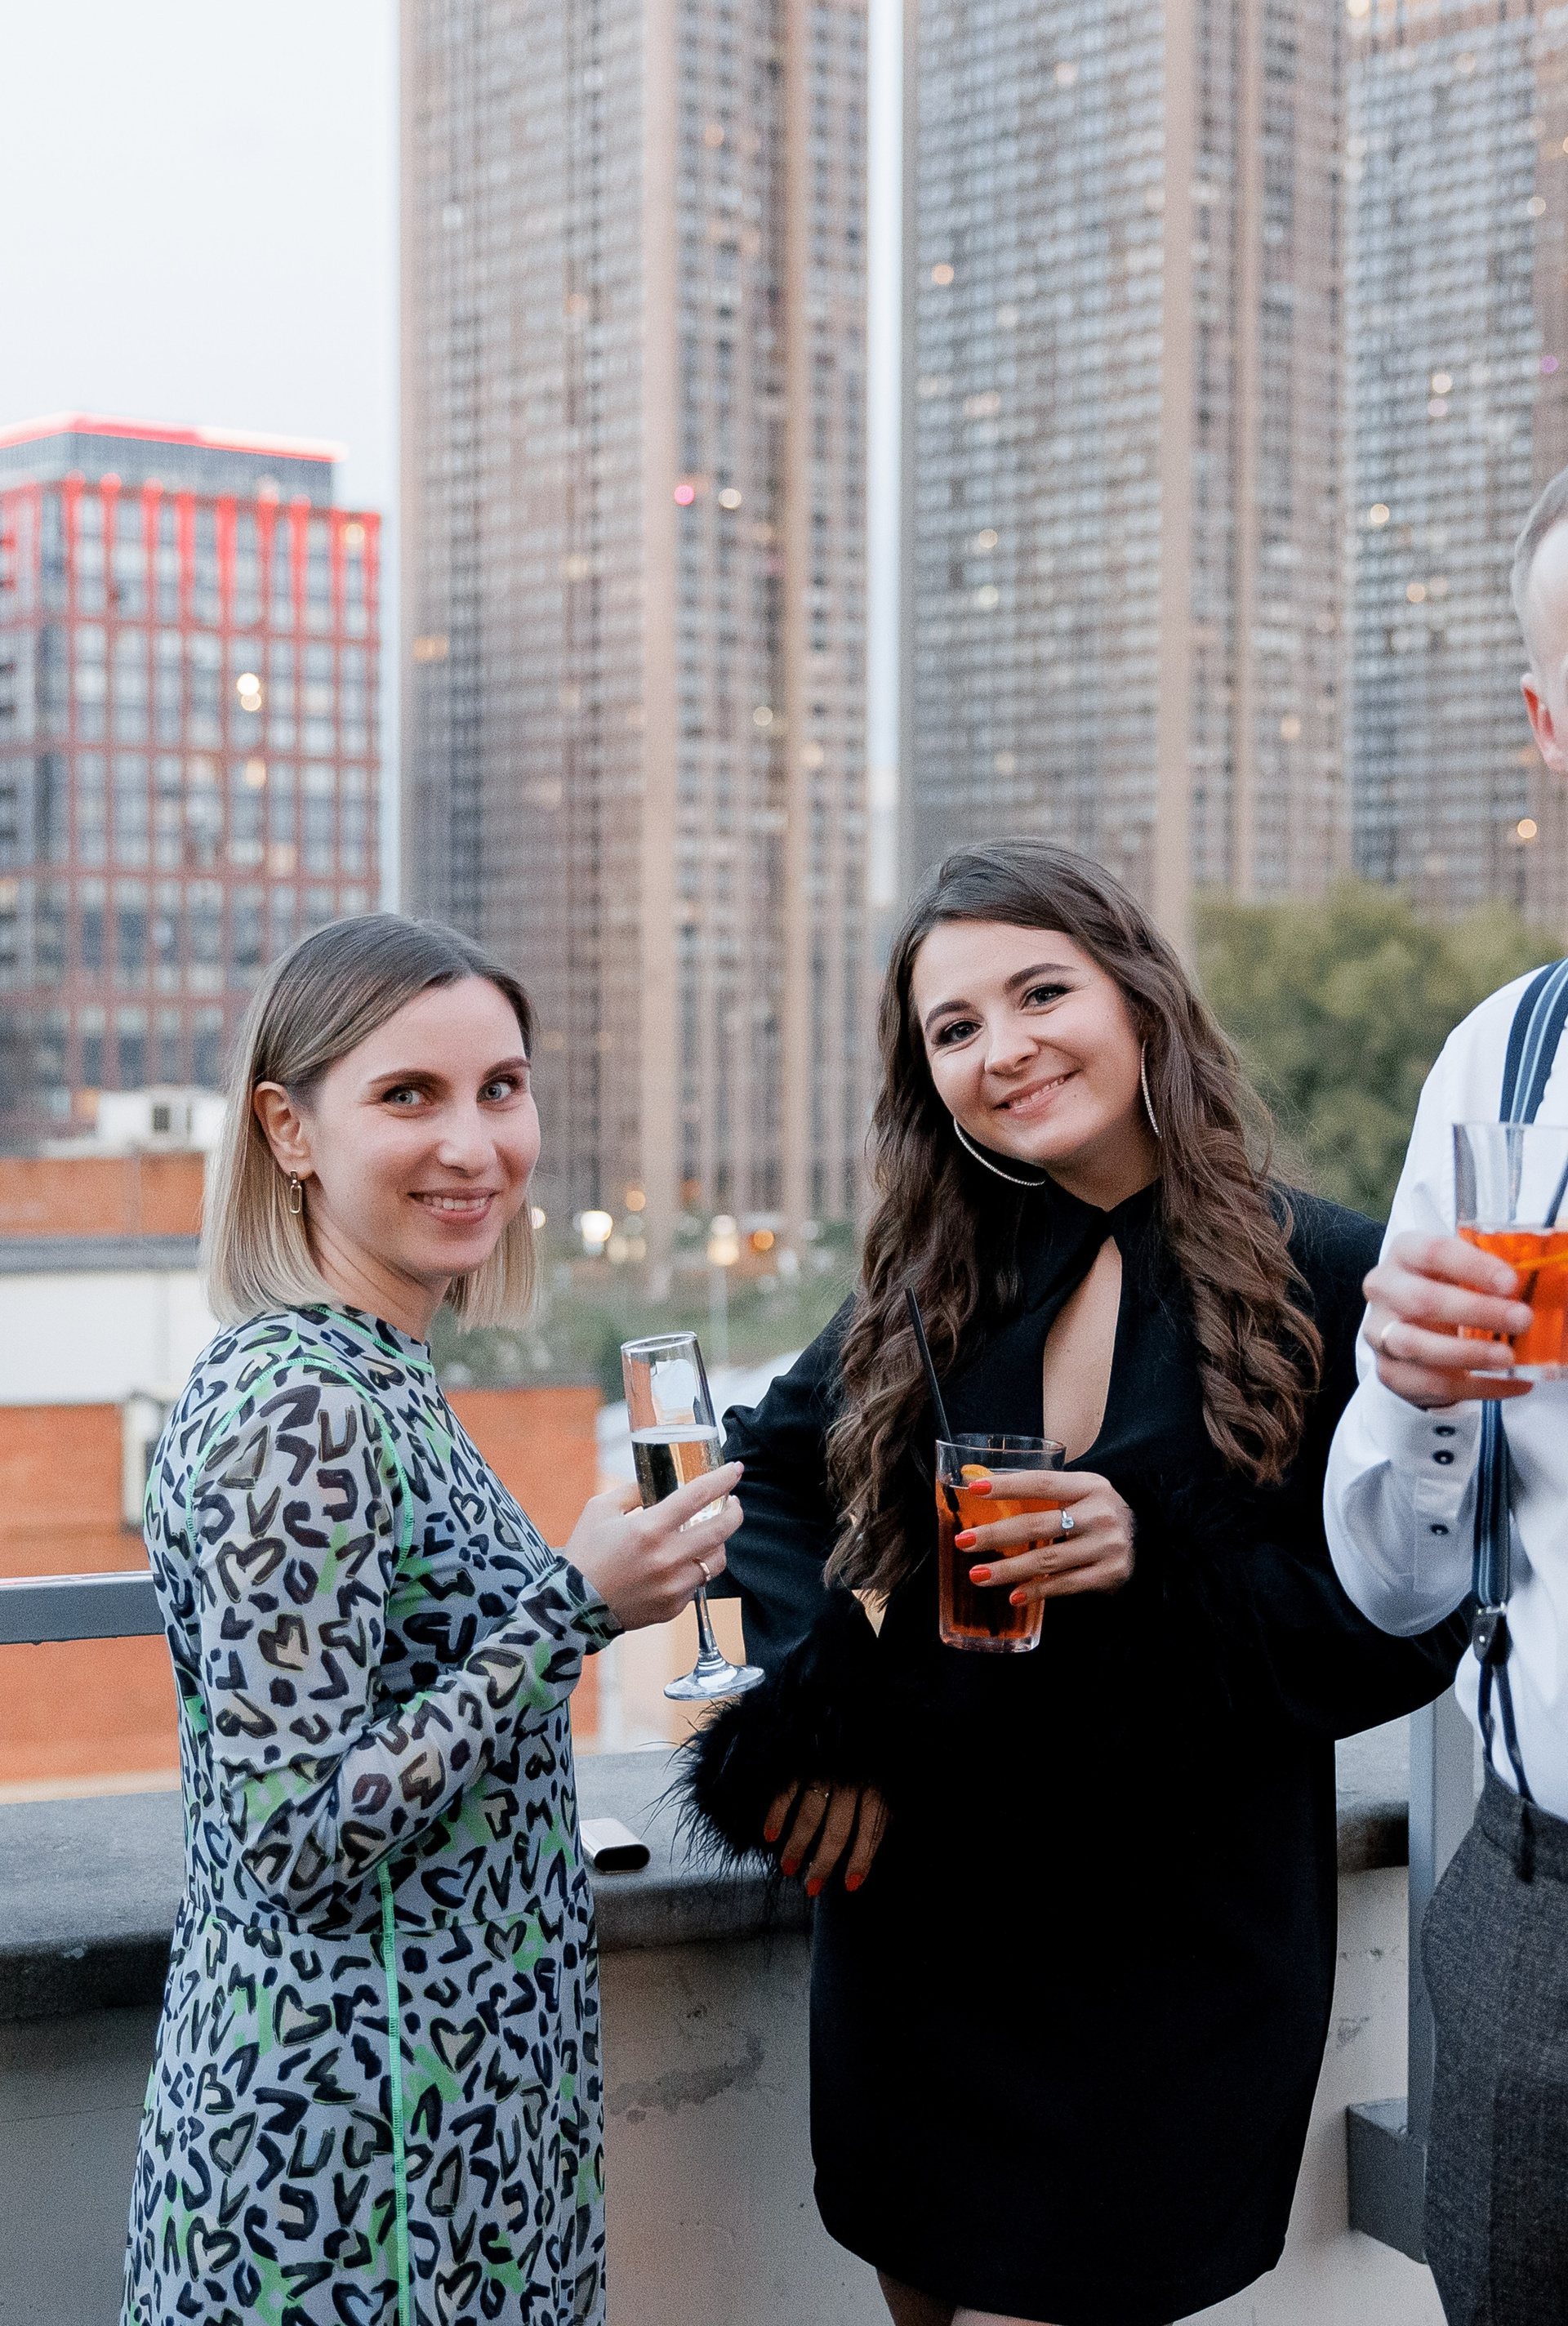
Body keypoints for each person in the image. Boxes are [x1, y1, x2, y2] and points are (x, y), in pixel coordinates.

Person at [688, 839, 1463, 2326]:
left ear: (1139, 996)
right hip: (924, 1952)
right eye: (955, 1028)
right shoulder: (932, 1277)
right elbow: (764, 1478)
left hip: (1172, 1968)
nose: (1004, 1049)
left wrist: (1156, 1563)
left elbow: (1411, 1622)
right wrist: (819, 1708)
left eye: (1041, 992)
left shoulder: (1334, 1274)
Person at [121, 914, 742, 2326]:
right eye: (410, 1095)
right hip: (345, 2177)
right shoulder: (299, 1405)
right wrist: (572, 1610)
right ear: (288, 1129)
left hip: (448, 2143)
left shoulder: (379, 1372)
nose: (474, 1144)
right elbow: (293, 1834)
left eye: (500, 1088)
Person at [1325, 465, 1568, 2324]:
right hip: (1537, 1908)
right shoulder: (1501, 1068)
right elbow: (1399, 1586)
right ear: (1549, 725)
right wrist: (1409, 1390)